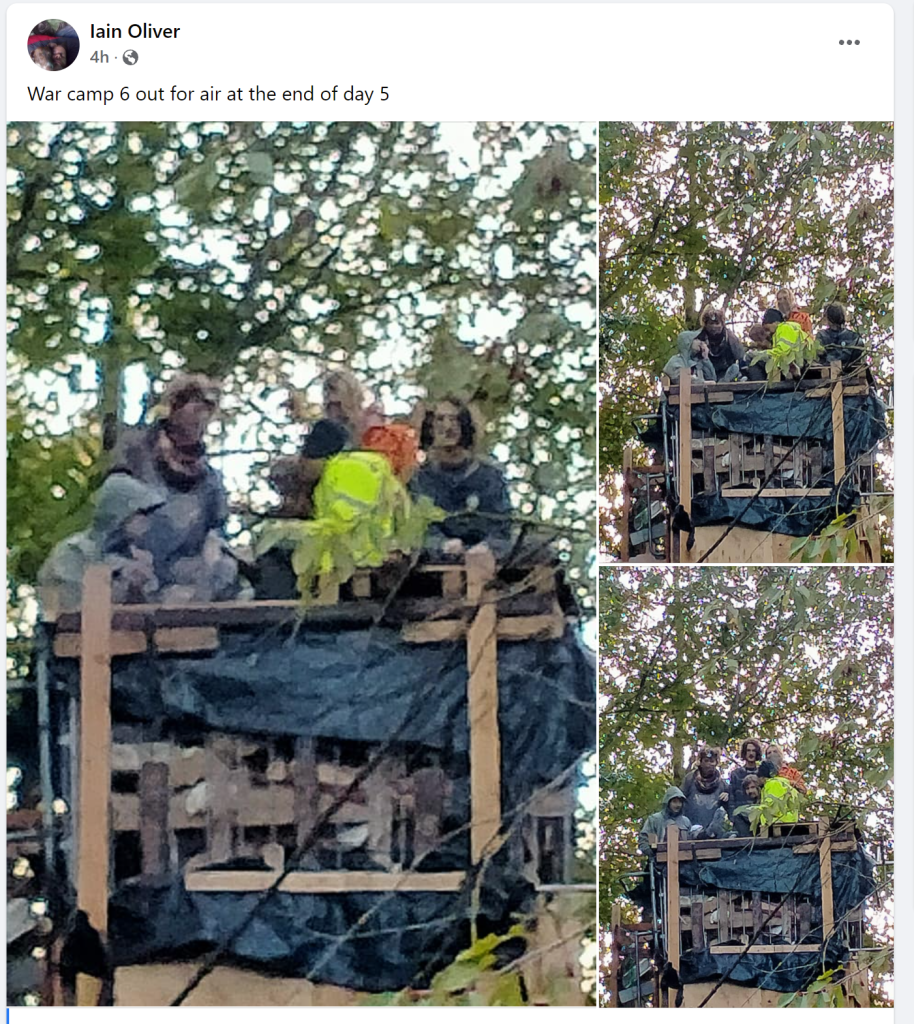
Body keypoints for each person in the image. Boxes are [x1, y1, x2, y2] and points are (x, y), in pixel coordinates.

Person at [259, 419, 442, 598]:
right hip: (379, 555)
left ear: (317, 457)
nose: (301, 465)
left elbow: (347, 527)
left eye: (305, 459)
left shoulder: (344, 470)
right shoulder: (359, 467)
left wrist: (284, 531)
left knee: (274, 544)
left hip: (365, 560)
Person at [109, 373, 239, 602]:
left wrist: (214, 560)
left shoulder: (210, 479)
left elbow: (215, 531)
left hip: (181, 566)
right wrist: (133, 542)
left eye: (208, 410)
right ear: (176, 407)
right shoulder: (135, 449)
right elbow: (115, 501)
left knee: (226, 570)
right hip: (131, 555)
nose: (201, 417)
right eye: (196, 408)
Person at [37, 475, 166, 614]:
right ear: (120, 513)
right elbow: (77, 607)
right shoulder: (73, 551)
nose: (147, 520)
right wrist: (120, 576)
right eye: (141, 513)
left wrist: (144, 583)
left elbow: (153, 612)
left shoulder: (136, 555)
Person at [410, 397, 512, 556]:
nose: (448, 426)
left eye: (454, 419)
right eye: (440, 419)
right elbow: (418, 528)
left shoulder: (489, 477)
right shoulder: (420, 479)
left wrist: (487, 547)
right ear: (429, 428)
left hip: (488, 559)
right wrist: (441, 545)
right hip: (435, 561)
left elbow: (502, 528)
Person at [680, 747, 729, 830]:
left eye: (712, 761)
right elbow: (679, 800)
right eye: (706, 761)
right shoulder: (690, 779)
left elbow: (729, 808)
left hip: (713, 831)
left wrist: (728, 796)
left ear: (716, 763)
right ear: (700, 762)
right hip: (690, 828)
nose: (708, 764)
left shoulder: (722, 784)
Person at [637, 786, 692, 856]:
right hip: (660, 860)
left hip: (684, 860)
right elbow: (643, 839)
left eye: (680, 802)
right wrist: (652, 853)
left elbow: (692, 842)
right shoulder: (654, 819)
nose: (678, 805)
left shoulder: (686, 821)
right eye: (674, 802)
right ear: (668, 803)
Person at [694, 305, 744, 379]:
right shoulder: (699, 337)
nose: (714, 326)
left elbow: (740, 357)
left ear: (722, 324)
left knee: (735, 368)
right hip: (706, 374)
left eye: (717, 323)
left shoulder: (731, 338)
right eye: (711, 323)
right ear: (705, 324)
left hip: (726, 374)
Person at [815, 302, 865, 373]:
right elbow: (820, 356)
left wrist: (837, 359)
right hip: (827, 373)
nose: (823, 317)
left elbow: (859, 346)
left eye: (825, 315)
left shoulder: (853, 337)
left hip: (848, 372)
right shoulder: (822, 335)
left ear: (829, 316)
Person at [757, 759, 802, 826]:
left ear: (762, 777)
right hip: (787, 822)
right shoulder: (783, 783)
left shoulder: (772, 784)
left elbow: (774, 809)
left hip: (780, 823)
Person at [729, 737, 764, 807]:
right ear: (744, 753)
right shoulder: (736, 774)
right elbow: (731, 799)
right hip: (740, 811)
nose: (751, 753)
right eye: (748, 750)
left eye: (753, 751)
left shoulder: (762, 774)